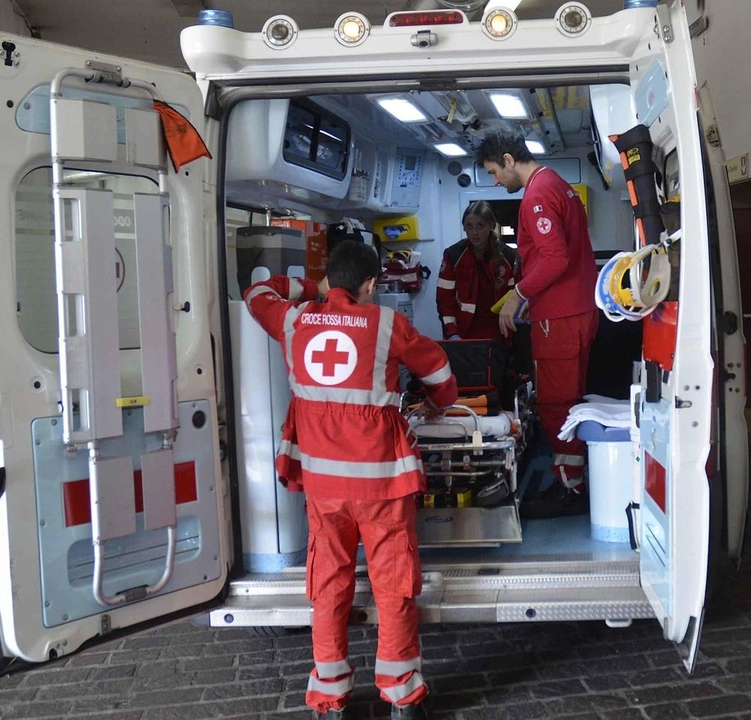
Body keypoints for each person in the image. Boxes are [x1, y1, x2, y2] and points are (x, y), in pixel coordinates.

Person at [243, 241, 456, 720]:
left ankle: (329, 696)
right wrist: (438, 403)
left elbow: (256, 292)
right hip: (383, 485)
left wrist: (305, 288)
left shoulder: (294, 321)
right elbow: (440, 369)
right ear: (371, 285)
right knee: (393, 584)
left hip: (324, 489)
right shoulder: (386, 324)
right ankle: (402, 695)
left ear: (329, 280)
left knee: (329, 584)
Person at [476, 131, 599, 519]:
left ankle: (571, 490)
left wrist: (519, 295)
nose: (496, 181)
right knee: (568, 401)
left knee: (556, 405)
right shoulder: (557, 184)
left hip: (561, 319)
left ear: (510, 160)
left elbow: (555, 258)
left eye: (495, 172)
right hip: (571, 310)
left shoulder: (537, 194)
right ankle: (573, 480)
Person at [436, 201, 520, 342]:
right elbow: (444, 300)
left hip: (501, 334)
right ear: (464, 228)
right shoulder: (453, 255)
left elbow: (515, 297)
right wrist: (452, 333)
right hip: (464, 335)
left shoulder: (509, 256)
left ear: (491, 226)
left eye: (480, 226)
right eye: (469, 226)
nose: (474, 232)